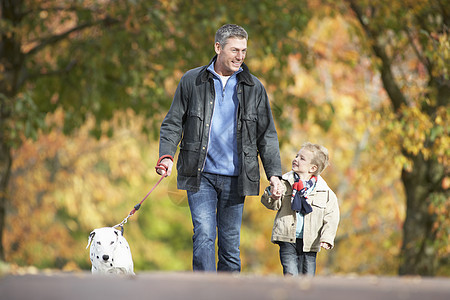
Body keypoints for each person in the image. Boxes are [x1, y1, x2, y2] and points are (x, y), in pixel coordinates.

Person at [156, 24, 283, 272]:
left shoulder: (253, 87)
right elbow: (173, 122)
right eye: (234, 50)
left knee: (230, 246)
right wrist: (167, 156)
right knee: (203, 235)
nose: (240, 56)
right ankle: (204, 292)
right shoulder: (192, 81)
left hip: (237, 178)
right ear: (218, 47)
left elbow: (266, 135)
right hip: (199, 173)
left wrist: (274, 174)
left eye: (244, 51)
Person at [261, 142, 340, 276]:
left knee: (307, 275)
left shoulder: (324, 191)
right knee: (291, 272)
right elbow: (272, 205)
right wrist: (272, 194)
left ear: (312, 168)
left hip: (310, 242)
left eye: (302, 158)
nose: (296, 159)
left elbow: (332, 216)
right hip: (287, 238)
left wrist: (327, 237)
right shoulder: (284, 183)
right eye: (297, 156)